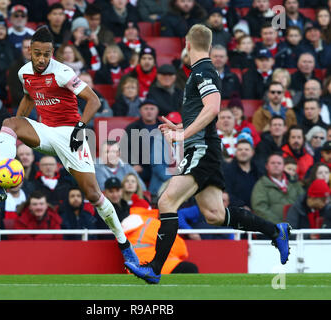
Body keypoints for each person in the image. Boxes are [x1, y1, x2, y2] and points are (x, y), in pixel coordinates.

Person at [125, 24, 292, 284]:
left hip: (201, 149)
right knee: (214, 214)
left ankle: (155, 268)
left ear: (186, 44)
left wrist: (183, 135)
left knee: (167, 202)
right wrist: (180, 126)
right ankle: (275, 231)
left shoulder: (202, 71)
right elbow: (204, 112)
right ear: (210, 46)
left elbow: (213, 109)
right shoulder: (201, 71)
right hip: (206, 147)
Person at [0, 26, 139, 266]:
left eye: (47, 54)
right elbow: (29, 98)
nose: (42, 59)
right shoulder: (24, 74)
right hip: (47, 131)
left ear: (53, 53)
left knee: (93, 194)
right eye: (37, 53)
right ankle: (1, 180)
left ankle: (125, 245)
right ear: (30, 51)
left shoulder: (62, 72)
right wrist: (18, 130)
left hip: (71, 134)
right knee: (9, 123)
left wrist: (81, 126)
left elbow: (94, 100)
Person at [121, 206, 199, 274]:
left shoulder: (134, 226)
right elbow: (182, 250)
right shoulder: (157, 224)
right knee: (190, 268)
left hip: (134, 270)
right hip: (157, 267)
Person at [251, 153, 304, 224]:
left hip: (296, 227)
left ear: (283, 166)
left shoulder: (294, 183)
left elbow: (303, 201)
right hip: (273, 229)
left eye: (279, 163)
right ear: (267, 166)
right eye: (272, 163)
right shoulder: (261, 184)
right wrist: (278, 224)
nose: (276, 165)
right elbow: (260, 208)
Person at [124, 99, 162, 183]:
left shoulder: (163, 127)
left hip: (161, 165)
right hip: (142, 167)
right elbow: (125, 149)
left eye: (152, 109)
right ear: (140, 111)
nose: (149, 111)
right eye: (146, 109)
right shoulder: (132, 128)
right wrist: (133, 164)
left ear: (157, 111)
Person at [223, 138, 264, 210]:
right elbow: (227, 193)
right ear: (236, 153)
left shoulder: (259, 171)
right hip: (236, 211)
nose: (243, 152)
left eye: (246, 149)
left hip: (258, 210)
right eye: (240, 150)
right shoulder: (227, 171)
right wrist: (242, 206)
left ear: (252, 152)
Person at [7, 37, 37, 119]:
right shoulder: (15, 68)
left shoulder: (45, 65)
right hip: (23, 104)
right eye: (25, 47)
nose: (28, 50)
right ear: (21, 50)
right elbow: (15, 93)